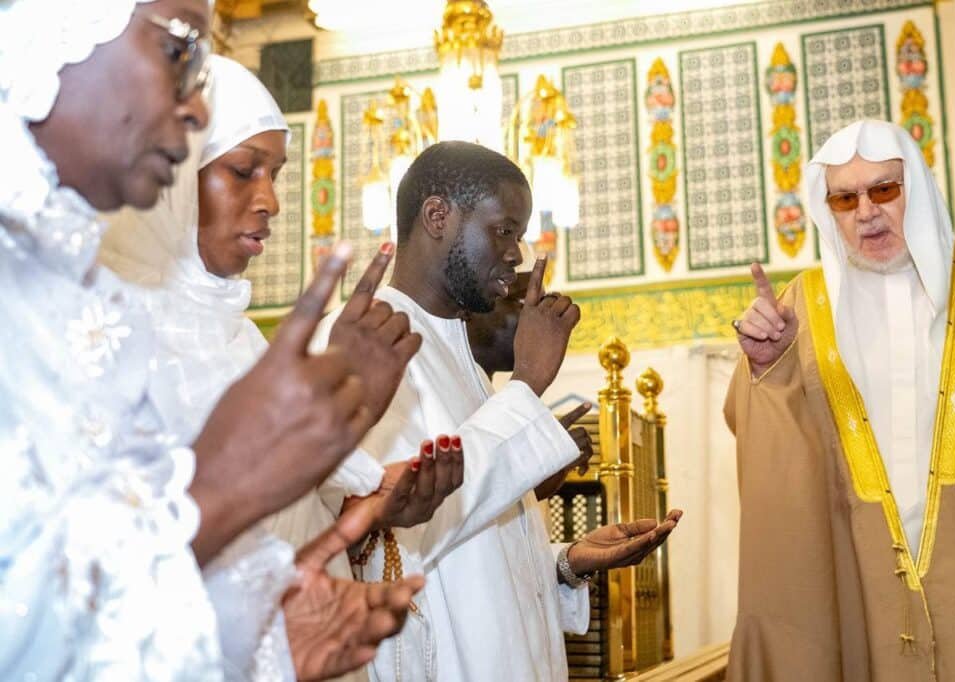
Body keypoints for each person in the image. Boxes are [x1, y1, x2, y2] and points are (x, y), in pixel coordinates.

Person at [0, 2, 418, 678]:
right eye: (179, 50)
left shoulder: (75, 298)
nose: (195, 107)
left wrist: (254, 637)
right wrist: (218, 492)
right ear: (59, 26)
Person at [99, 54, 461, 680]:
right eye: (243, 171)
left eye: (275, 174)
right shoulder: (110, 332)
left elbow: (285, 511)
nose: (269, 200)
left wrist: (368, 475)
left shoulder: (241, 338)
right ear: (175, 178)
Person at [310, 141, 682, 681]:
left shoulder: (461, 357)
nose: (517, 254)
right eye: (504, 230)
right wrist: (528, 383)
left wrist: (564, 562)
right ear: (438, 216)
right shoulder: (367, 334)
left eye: (520, 235)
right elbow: (394, 535)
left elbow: (481, 551)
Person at [726, 119, 955, 681]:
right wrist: (770, 367)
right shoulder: (801, 307)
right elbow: (772, 457)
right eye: (844, 199)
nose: (866, 212)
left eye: (885, 189)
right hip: (862, 597)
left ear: (920, 189)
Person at [465, 270, 593, 500]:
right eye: (524, 301)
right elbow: (456, 505)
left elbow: (500, 507)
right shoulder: (431, 391)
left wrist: (554, 463)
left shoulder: (487, 395)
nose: (537, 315)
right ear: (469, 310)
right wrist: (529, 378)